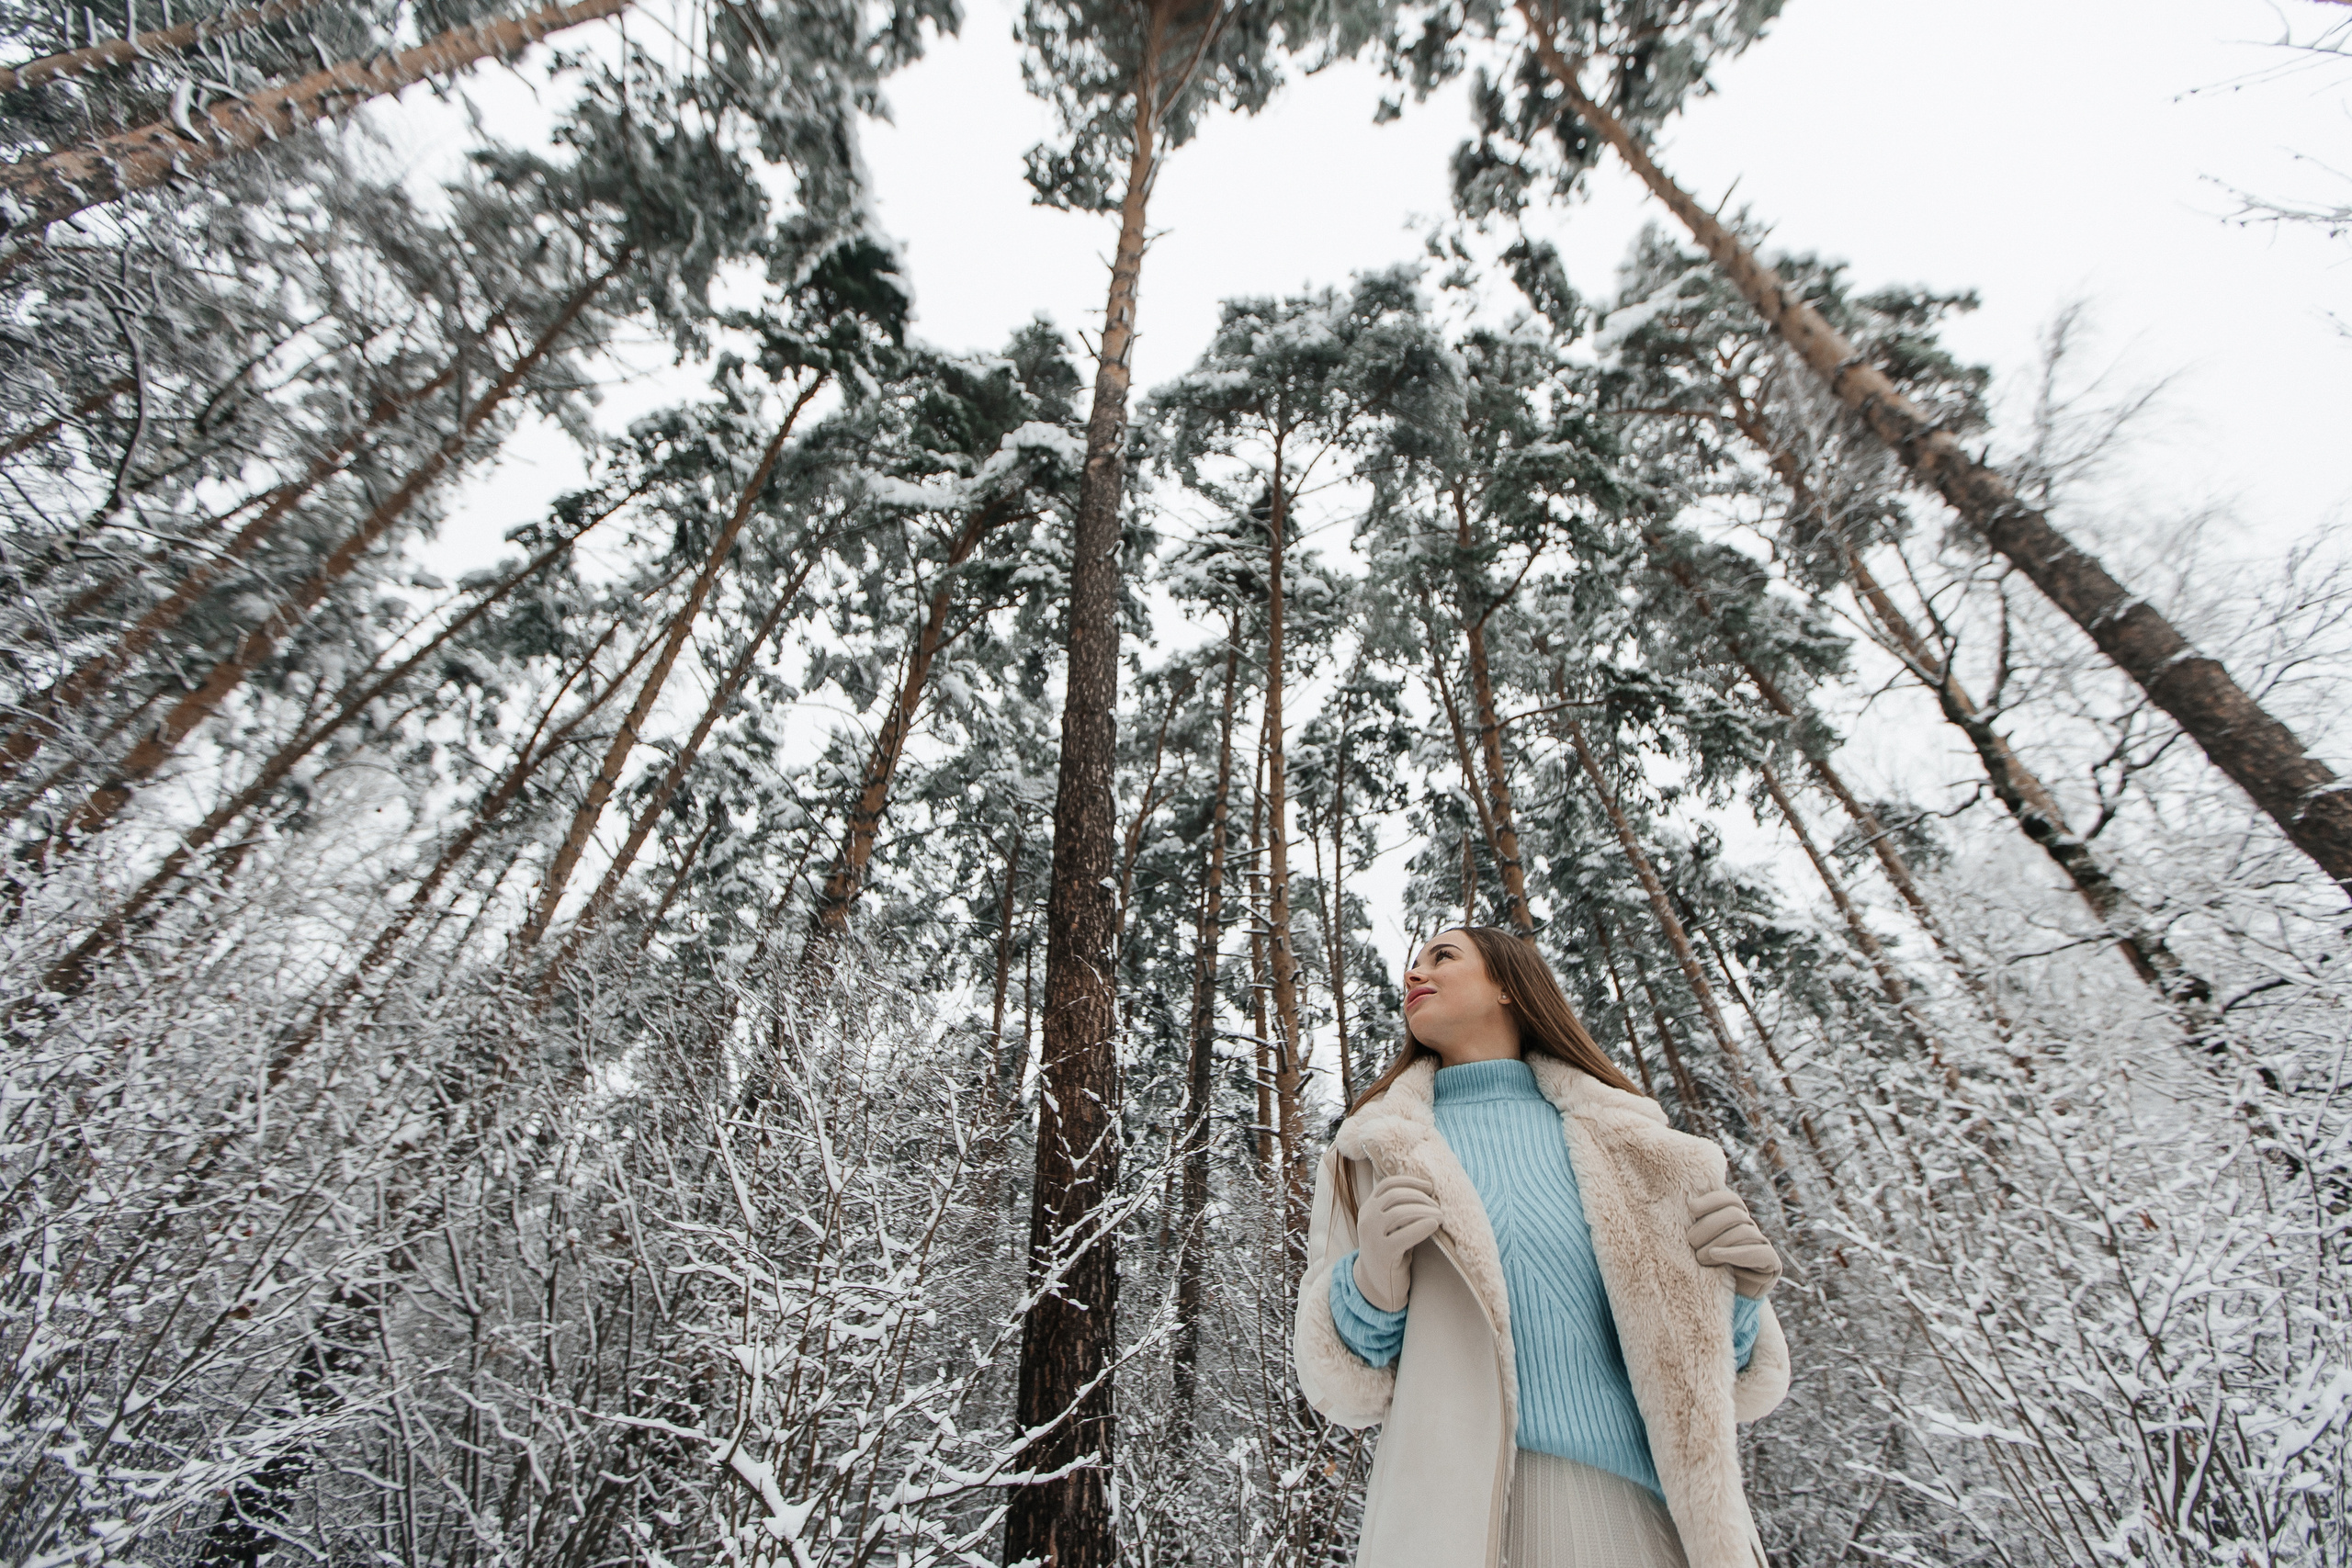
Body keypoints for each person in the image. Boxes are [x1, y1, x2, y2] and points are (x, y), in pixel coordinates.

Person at [1294, 926, 1791, 1568]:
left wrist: (1742, 1298)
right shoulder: (1369, 1152)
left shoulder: (1638, 1145)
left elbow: (1731, 1385)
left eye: (1441, 956)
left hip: (1657, 1526)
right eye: (1412, 964)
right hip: (1456, 1530)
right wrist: (1373, 1280)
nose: (1414, 973)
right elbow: (1342, 1388)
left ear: (1508, 984)